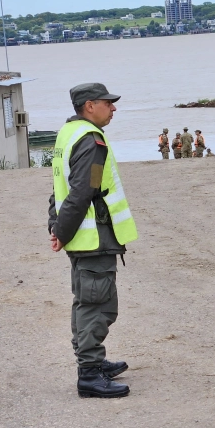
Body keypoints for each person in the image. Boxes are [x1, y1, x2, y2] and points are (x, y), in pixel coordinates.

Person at [47, 82, 138, 399]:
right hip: (92, 238)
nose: (113, 108)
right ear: (89, 106)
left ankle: (94, 362)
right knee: (98, 307)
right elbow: (83, 191)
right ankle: (89, 374)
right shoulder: (91, 141)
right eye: (108, 103)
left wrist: (56, 226)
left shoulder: (67, 133)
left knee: (87, 303)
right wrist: (61, 231)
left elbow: (59, 186)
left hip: (82, 238)